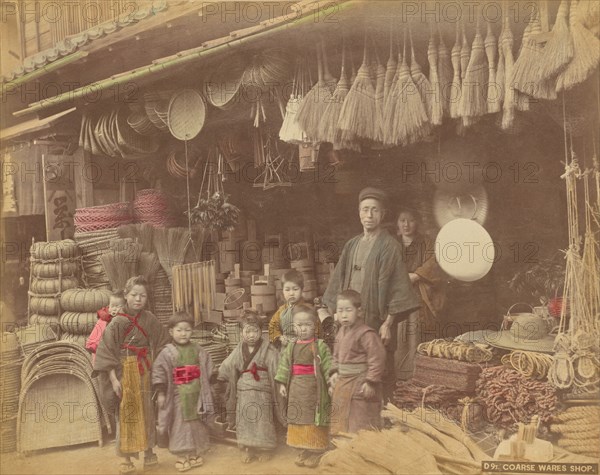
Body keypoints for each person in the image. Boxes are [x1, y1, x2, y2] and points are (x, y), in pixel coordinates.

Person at [323, 187, 420, 400]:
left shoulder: (390, 246)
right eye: (365, 210)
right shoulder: (352, 245)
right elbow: (337, 281)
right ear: (358, 213)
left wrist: (388, 323)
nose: (369, 215)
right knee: (350, 366)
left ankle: (380, 420)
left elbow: (398, 287)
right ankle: (356, 422)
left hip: (377, 321)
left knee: (379, 368)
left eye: (374, 210)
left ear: (382, 214)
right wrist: (336, 312)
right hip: (350, 320)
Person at [94, 276, 170, 475]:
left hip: (145, 370)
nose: (138, 299)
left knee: (147, 411)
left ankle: (150, 452)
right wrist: (113, 380)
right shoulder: (117, 322)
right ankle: (126, 458)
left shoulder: (150, 319)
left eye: (143, 295)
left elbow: (163, 341)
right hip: (124, 372)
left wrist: (161, 365)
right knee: (127, 414)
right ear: (125, 295)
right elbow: (106, 351)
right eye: (134, 295)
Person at [152, 311, 214, 473]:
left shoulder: (198, 349)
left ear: (192, 331)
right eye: (179, 330)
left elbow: (208, 367)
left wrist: (212, 382)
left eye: (187, 329)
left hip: (196, 394)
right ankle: (181, 456)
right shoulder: (167, 352)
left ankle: (193, 453)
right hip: (177, 394)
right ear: (171, 331)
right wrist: (161, 392)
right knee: (179, 425)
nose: (183, 333)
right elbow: (159, 372)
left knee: (196, 425)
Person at [218, 310, 282, 463]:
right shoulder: (239, 349)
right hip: (244, 390)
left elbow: (276, 366)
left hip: (263, 389)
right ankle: (248, 448)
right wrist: (220, 375)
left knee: (263, 420)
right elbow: (228, 364)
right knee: (245, 420)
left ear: (261, 332)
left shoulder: (269, 349)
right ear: (242, 333)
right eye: (248, 331)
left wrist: (281, 381)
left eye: (255, 331)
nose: (251, 335)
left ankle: (265, 448)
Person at [275, 304, 332, 468]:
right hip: (295, 388)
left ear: (314, 326)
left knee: (313, 419)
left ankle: (317, 451)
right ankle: (305, 449)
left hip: (314, 390)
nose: (303, 329)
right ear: (293, 326)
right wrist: (282, 384)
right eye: (299, 325)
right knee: (299, 419)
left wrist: (330, 381)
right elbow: (284, 366)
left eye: (307, 325)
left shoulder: (320, 345)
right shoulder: (291, 346)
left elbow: (328, 364)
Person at [395, 207, 447, 380]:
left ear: (416, 223)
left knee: (418, 335)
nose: (406, 224)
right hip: (398, 295)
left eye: (410, 220)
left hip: (421, 295)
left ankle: (421, 375)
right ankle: (401, 376)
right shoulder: (392, 244)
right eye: (402, 220)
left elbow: (435, 262)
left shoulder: (427, 243)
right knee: (399, 335)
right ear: (397, 223)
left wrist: (416, 276)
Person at [329, 290, 386, 435]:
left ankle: (360, 452)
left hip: (360, 382)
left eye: (348, 310)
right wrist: (334, 371)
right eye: (340, 311)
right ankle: (343, 449)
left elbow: (377, 359)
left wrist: (371, 382)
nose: (344, 315)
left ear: (359, 311)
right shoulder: (340, 332)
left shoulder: (367, 334)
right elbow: (335, 356)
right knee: (341, 419)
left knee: (359, 420)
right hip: (343, 382)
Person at [269, 270, 321, 349]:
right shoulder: (281, 310)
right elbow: (272, 326)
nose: (291, 293)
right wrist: (279, 337)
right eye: (287, 290)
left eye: (295, 289)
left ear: (302, 289)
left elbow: (317, 329)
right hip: (286, 347)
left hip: (305, 346)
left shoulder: (308, 310)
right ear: (282, 291)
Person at [86, 291, 126, 365]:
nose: (114, 308)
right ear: (108, 306)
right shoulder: (104, 318)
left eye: (118, 306)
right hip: (100, 348)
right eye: (112, 305)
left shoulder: (124, 320)